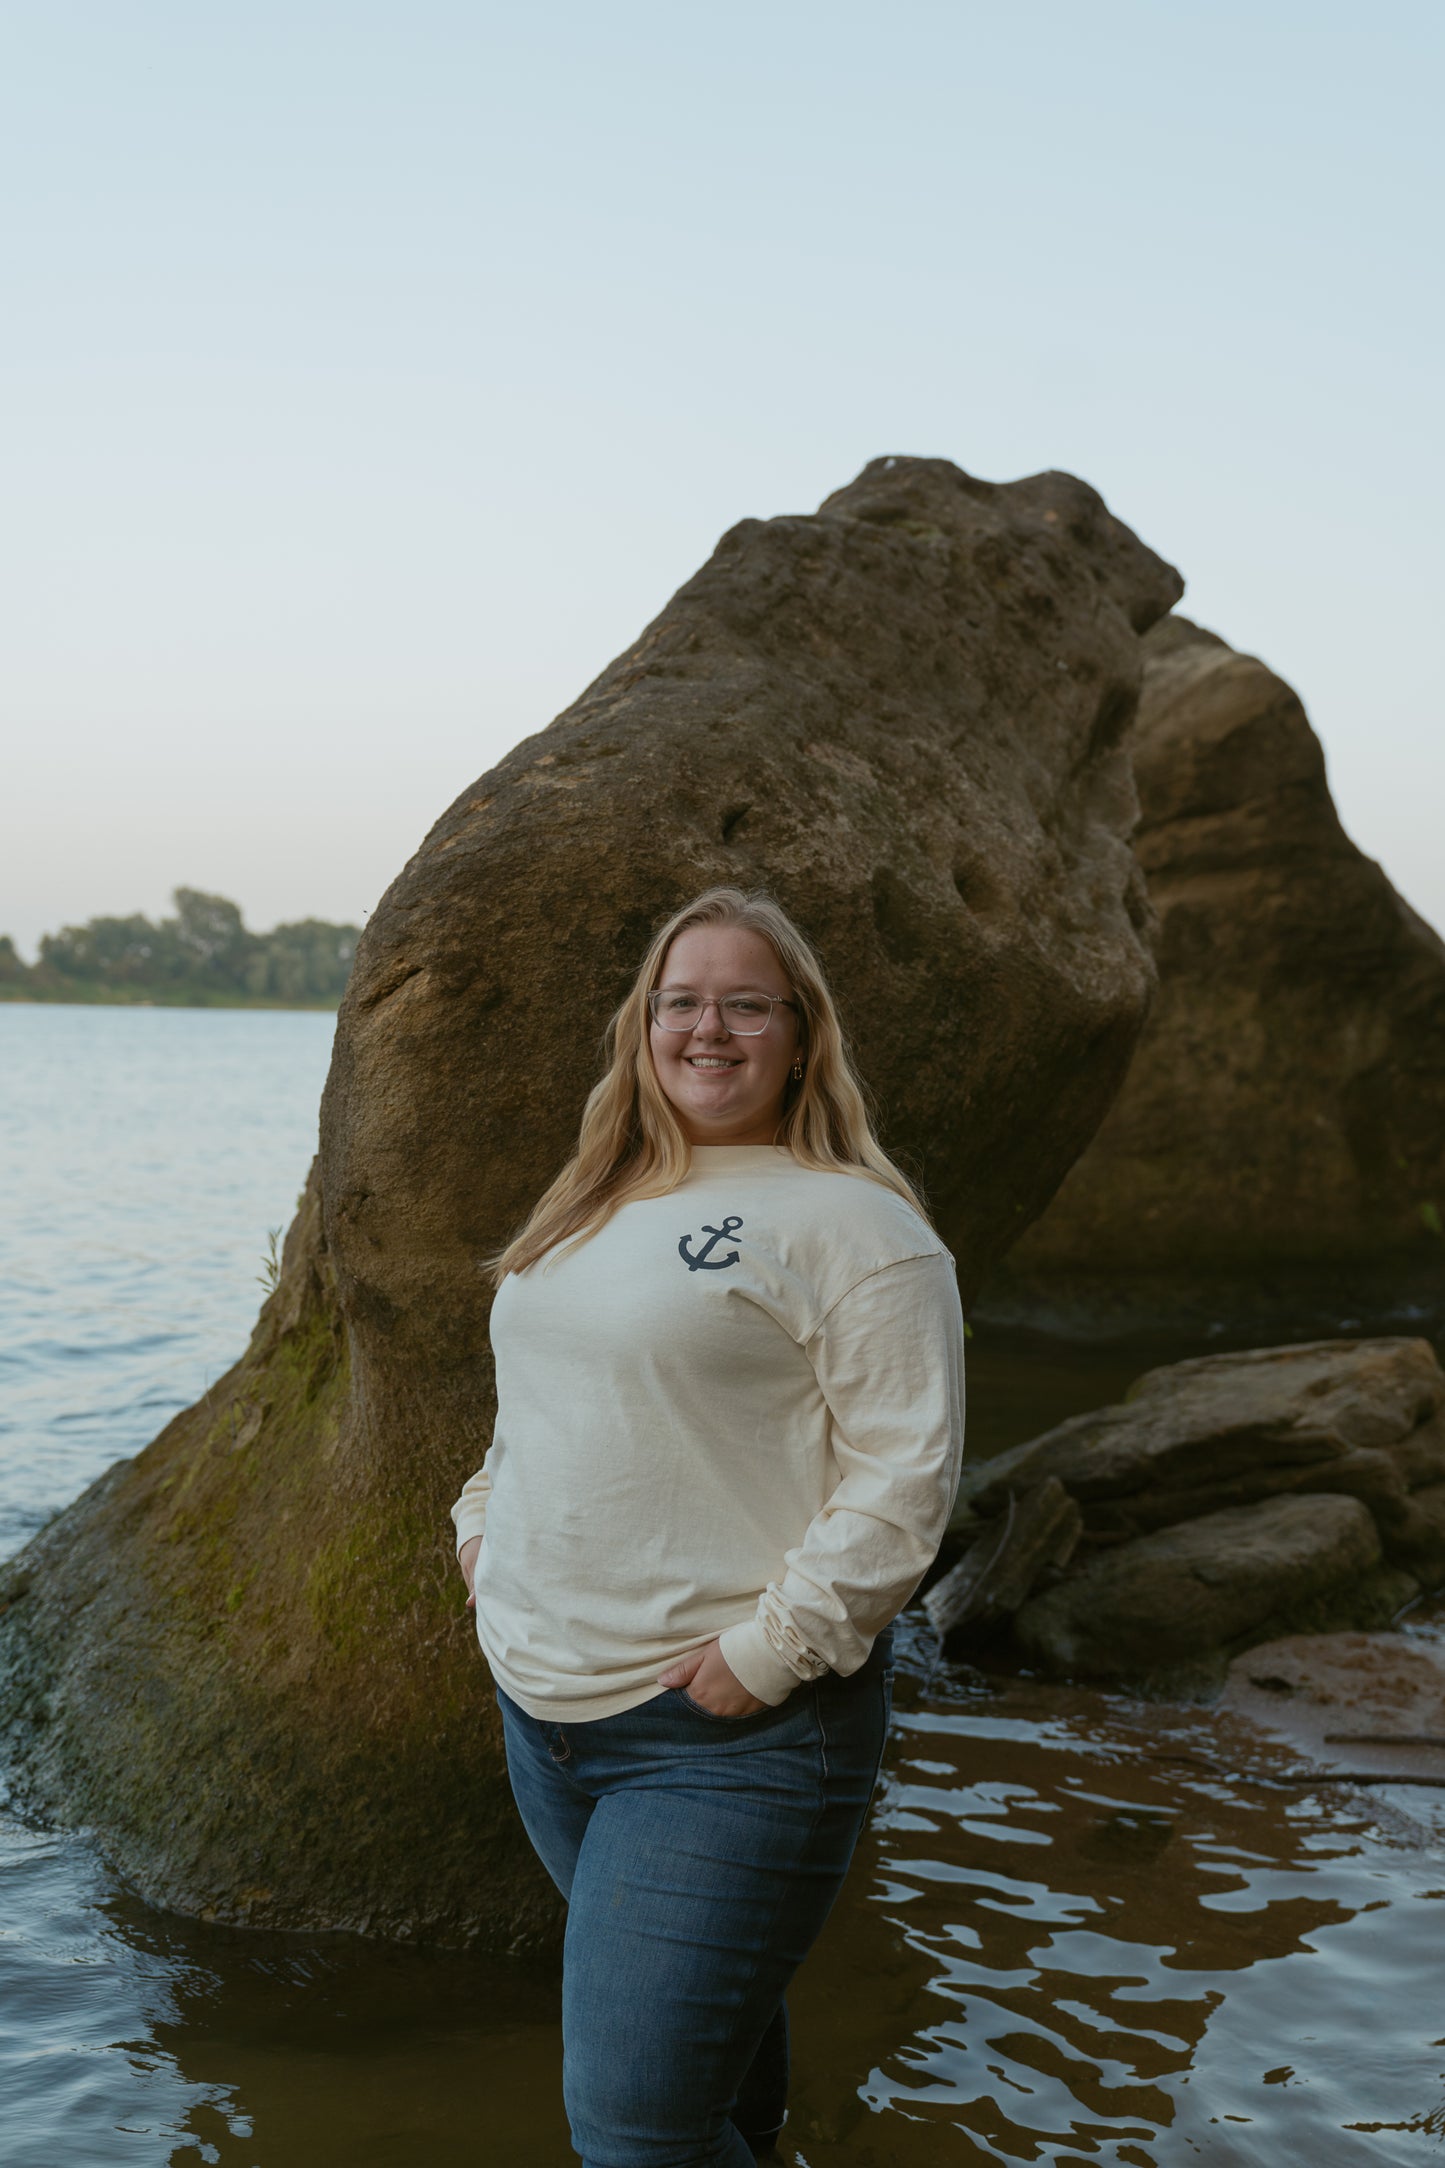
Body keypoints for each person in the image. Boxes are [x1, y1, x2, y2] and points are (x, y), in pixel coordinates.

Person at [450, 885, 966, 2167]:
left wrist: (771, 1652)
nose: (709, 1029)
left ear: (801, 1031)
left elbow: (905, 1475)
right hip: (545, 1714)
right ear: (641, 1025)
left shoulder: (854, 1224)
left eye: (746, 1003)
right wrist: (481, 1537)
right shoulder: (587, 1203)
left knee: (632, 2129)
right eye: (681, 1000)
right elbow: (531, 1414)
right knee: (714, 2093)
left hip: (728, 1735)